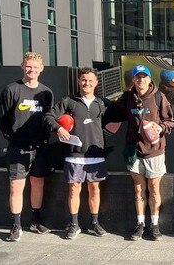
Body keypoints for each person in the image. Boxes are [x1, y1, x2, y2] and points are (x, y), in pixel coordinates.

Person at [44, 67, 123, 240]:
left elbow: (122, 115)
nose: (86, 83)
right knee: (74, 189)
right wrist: (58, 128)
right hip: (74, 154)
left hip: (96, 154)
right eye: (84, 80)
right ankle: (74, 224)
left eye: (90, 80)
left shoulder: (103, 103)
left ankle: (94, 223)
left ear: (96, 83)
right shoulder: (68, 101)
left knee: (95, 188)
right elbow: (48, 116)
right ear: (79, 81)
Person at [0, 52, 54, 242]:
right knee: (16, 186)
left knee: (38, 183)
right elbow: (2, 118)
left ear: (41, 68)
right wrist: (13, 137)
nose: (32, 70)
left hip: (40, 148)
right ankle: (16, 224)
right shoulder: (12, 89)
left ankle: (36, 219)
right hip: (18, 147)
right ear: (22, 66)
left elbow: (49, 118)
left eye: (35, 67)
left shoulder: (46, 92)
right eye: (28, 66)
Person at [117, 64, 174, 241]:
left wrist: (161, 127)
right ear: (133, 80)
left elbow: (170, 121)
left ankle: (155, 225)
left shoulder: (159, 96)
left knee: (154, 188)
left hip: (154, 151)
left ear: (150, 79)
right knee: (138, 189)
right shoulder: (127, 97)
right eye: (137, 77)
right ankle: (140, 224)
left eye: (144, 76)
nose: (140, 79)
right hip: (134, 150)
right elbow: (112, 112)